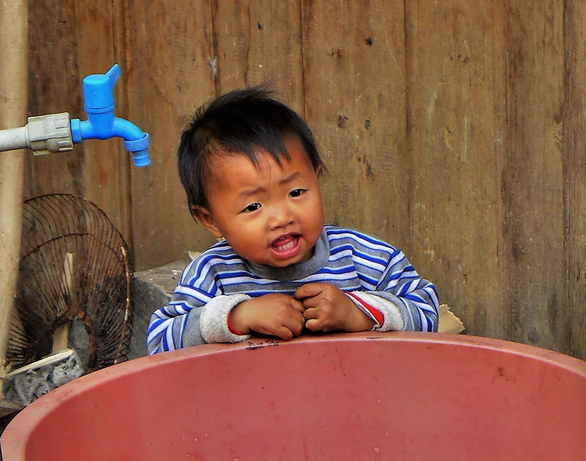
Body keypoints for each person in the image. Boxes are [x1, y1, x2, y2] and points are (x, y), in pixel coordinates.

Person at [147, 86, 439, 352]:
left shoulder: (365, 258)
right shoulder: (214, 273)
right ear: (210, 220)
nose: (282, 218)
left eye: (296, 192)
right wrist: (238, 317)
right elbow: (160, 343)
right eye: (253, 207)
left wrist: (357, 312)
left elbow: (427, 313)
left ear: (318, 178)